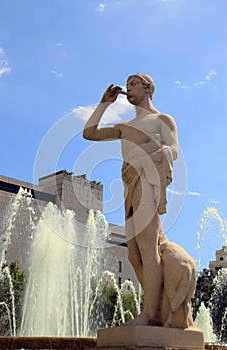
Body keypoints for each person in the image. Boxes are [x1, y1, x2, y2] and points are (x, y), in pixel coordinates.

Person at [83, 73, 178, 325]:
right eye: (127, 85)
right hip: (130, 185)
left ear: (148, 88)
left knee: (148, 246)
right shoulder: (125, 127)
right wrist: (104, 104)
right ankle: (155, 307)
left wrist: (148, 153)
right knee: (134, 254)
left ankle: (150, 315)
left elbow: (173, 149)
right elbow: (89, 133)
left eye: (133, 83)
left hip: (148, 180)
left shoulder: (162, 119)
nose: (128, 88)